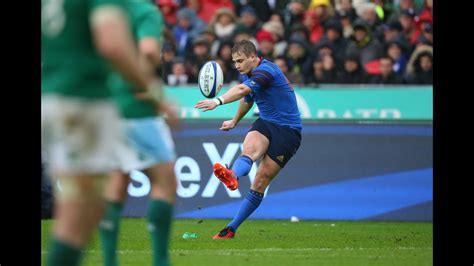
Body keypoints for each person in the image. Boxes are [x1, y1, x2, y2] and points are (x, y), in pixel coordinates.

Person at [41, 0, 162, 265]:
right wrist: (152, 90)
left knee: (84, 206)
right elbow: (112, 44)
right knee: (79, 215)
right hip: (82, 102)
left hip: (52, 97)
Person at [194, 40, 302, 239]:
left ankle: (232, 228)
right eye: (234, 62)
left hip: (288, 131)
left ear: (253, 56)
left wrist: (217, 101)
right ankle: (233, 175)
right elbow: (248, 99)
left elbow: (243, 90)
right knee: (249, 150)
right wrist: (235, 120)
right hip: (267, 122)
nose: (237, 65)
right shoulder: (249, 73)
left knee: (260, 180)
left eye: (240, 60)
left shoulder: (267, 70)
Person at [98, 1, 178, 266]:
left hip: (105, 107)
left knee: (117, 180)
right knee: (165, 181)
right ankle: (160, 260)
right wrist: (154, 93)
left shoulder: (100, 7)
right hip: (137, 107)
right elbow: (148, 51)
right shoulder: (144, 12)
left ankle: (109, 260)